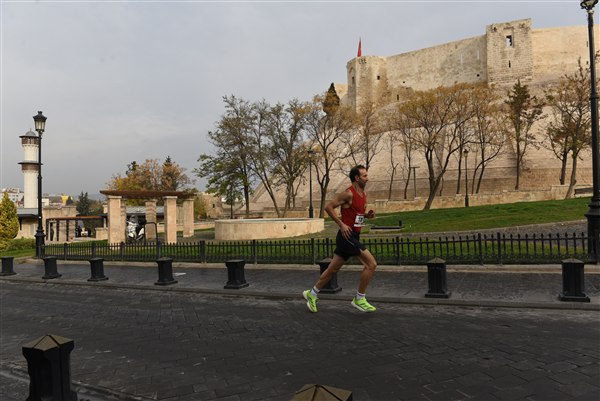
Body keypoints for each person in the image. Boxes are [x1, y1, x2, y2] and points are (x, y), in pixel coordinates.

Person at [303, 165, 378, 313]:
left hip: (353, 236)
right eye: (364, 176)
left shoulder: (362, 195)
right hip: (346, 237)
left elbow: (356, 215)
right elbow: (328, 207)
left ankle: (312, 294)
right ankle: (359, 299)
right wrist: (341, 224)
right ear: (356, 178)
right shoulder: (348, 194)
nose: (367, 178)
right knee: (371, 264)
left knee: (332, 269)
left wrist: (367, 216)